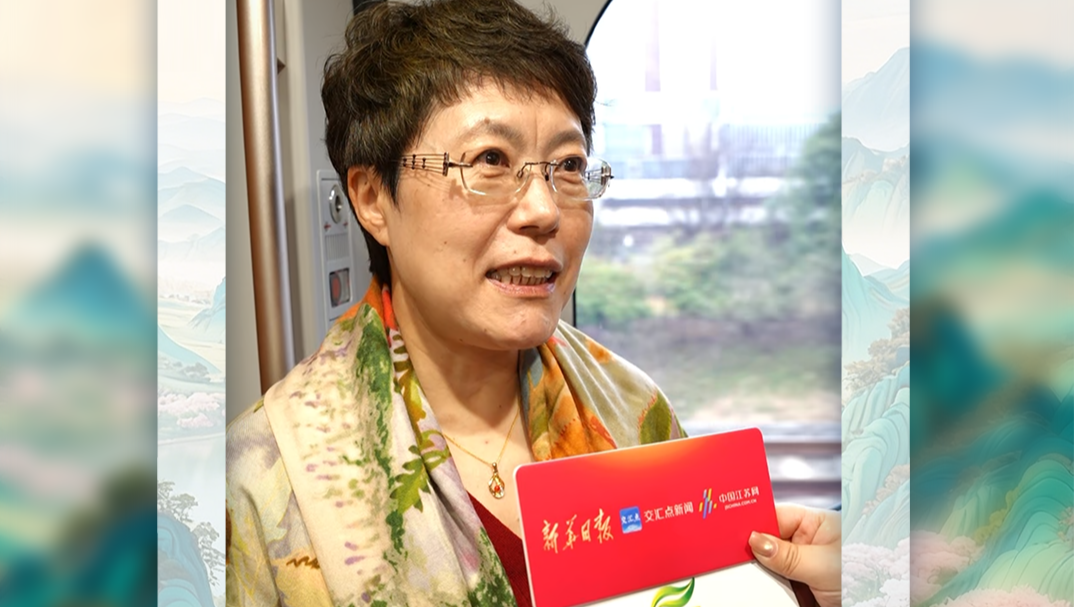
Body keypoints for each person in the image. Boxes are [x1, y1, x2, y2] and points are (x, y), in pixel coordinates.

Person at [226, 1, 841, 606]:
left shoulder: (632, 407)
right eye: (490, 160)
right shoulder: (263, 479)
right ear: (372, 199)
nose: (545, 210)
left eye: (568, 166)